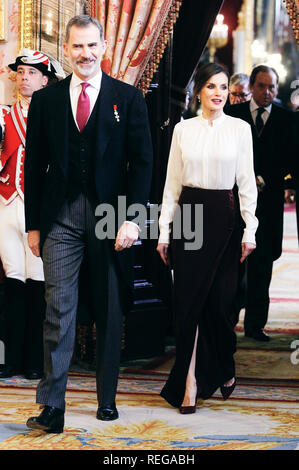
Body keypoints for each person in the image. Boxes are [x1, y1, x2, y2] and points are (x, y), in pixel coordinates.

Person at [25, 15, 152, 433]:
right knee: (57, 310)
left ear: (104, 48)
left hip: (110, 219)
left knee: (109, 309)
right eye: (77, 46)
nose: (85, 54)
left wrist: (133, 219)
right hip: (59, 218)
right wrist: (33, 227)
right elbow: (34, 166)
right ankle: (53, 406)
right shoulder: (46, 101)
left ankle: (106, 399)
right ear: (67, 49)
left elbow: (142, 165)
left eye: (92, 46)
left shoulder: (129, 99)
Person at [156, 63, 258, 413]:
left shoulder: (240, 129)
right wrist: (164, 230)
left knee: (220, 304)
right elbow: (171, 184)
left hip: (226, 219)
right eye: (211, 86)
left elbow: (246, 184)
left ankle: (224, 366)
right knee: (189, 305)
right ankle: (189, 383)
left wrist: (251, 229)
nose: (218, 92)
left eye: (223, 86)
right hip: (189, 217)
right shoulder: (183, 130)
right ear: (198, 90)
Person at [0, 50, 63, 380]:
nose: (24, 77)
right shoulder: (3, 115)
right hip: (7, 204)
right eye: (20, 72)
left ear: (45, 79)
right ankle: (12, 359)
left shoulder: (55, 115)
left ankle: (37, 362)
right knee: (13, 281)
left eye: (31, 72)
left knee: (38, 282)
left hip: (39, 210)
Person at [227, 65, 295, 341]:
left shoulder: (287, 118)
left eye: (272, 87)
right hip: (235, 202)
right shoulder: (233, 115)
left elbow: (291, 158)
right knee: (232, 265)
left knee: (263, 265)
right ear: (252, 87)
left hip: (268, 203)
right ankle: (227, 319)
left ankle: (256, 325)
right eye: (262, 86)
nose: (267, 93)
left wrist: (276, 180)